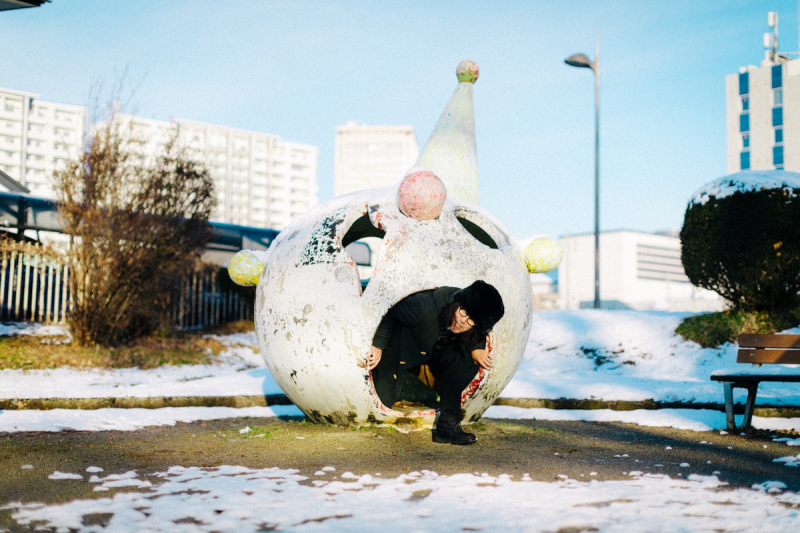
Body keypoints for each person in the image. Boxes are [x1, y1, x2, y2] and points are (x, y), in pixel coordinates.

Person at [365, 280, 504, 445]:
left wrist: (476, 347)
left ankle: (447, 427)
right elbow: (389, 313)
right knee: (383, 399)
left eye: (471, 322)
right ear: (457, 303)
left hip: (432, 345)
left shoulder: (465, 318)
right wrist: (378, 345)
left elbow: (476, 331)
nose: (462, 321)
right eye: (463, 312)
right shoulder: (422, 307)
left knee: (456, 358)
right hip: (399, 347)